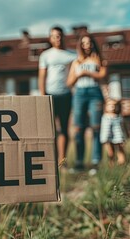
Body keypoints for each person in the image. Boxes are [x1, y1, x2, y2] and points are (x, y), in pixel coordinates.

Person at [67, 34, 107, 174]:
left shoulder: (98, 59)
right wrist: (79, 75)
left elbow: (103, 75)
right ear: (80, 45)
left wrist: (87, 73)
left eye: (89, 42)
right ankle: (79, 162)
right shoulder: (76, 62)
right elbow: (69, 82)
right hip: (79, 94)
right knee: (78, 128)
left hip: (95, 93)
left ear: (93, 44)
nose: (87, 45)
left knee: (96, 127)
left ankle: (96, 162)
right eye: (84, 43)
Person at [38, 26, 77, 165]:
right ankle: (50, 161)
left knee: (64, 128)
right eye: (54, 36)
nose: (57, 38)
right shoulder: (46, 55)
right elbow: (42, 76)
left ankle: (62, 161)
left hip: (66, 95)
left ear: (63, 36)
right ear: (50, 38)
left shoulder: (73, 54)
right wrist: (42, 96)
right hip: (49, 95)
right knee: (50, 130)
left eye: (59, 35)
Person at [100, 98, 126, 166]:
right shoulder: (105, 117)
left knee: (120, 149)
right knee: (110, 151)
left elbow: (122, 128)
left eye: (114, 105)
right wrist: (104, 139)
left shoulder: (119, 117)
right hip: (108, 137)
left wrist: (124, 137)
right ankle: (111, 164)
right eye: (110, 105)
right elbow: (104, 129)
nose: (113, 107)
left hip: (118, 137)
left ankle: (121, 163)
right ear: (106, 106)